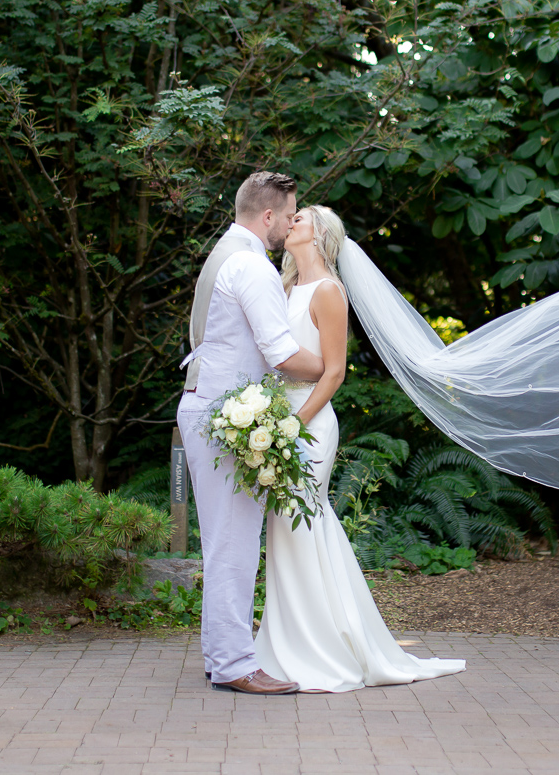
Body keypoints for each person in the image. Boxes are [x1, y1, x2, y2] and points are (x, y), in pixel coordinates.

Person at [254, 205, 466, 692]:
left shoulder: (329, 291)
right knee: (284, 530)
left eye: (300, 218)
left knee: (302, 520)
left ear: (320, 234)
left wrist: (293, 424)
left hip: (308, 425)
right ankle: (288, 644)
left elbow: (334, 372)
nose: (290, 223)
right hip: (278, 419)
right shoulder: (283, 286)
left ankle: (327, 647)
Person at [176, 172, 326, 696]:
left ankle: (224, 657)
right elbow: (281, 354)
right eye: (287, 216)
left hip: (208, 407)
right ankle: (235, 664)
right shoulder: (251, 266)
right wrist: (331, 368)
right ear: (268, 217)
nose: (290, 225)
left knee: (227, 540)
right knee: (234, 543)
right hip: (222, 416)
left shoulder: (225, 253)